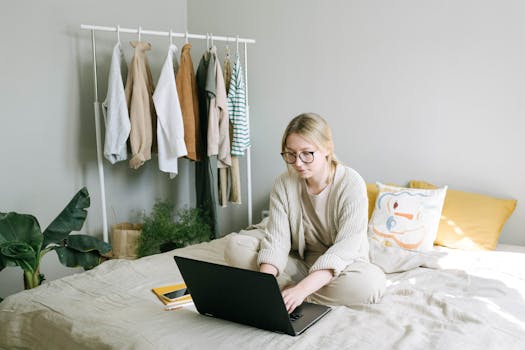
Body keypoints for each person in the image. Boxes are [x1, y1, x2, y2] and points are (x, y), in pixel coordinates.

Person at [225, 112, 386, 313]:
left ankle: (292, 293)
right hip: (300, 263)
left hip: (341, 267)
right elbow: (277, 241)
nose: (298, 163)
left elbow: (345, 249)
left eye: (307, 153)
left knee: (370, 284)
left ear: (327, 149)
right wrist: (263, 287)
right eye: (290, 154)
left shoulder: (351, 183)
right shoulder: (284, 183)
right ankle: (283, 292)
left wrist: (302, 289)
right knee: (234, 246)